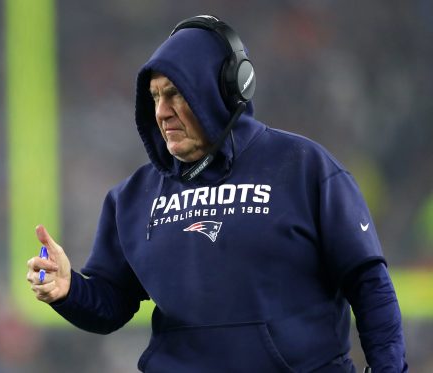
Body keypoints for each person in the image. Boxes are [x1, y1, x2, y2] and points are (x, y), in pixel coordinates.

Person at [26, 15, 408, 372]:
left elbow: (368, 283)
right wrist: (69, 289)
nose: (162, 111)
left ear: (223, 88)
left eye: (175, 93)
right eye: (155, 97)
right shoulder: (131, 198)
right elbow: (110, 305)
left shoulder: (305, 167)